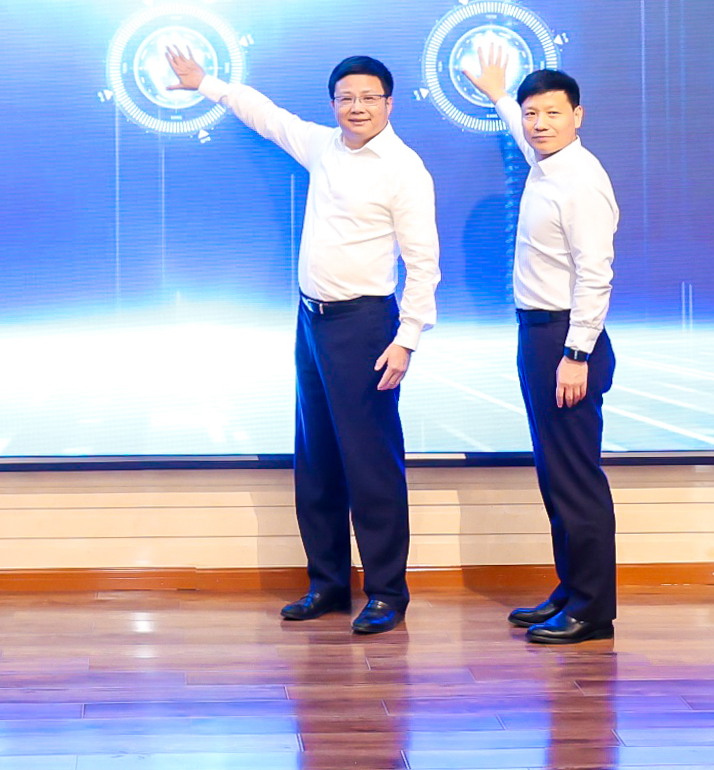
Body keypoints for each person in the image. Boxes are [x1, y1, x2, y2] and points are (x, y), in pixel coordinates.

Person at [165, 47, 439, 636]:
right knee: (316, 459)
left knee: (371, 464)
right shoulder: (322, 146)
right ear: (334, 103)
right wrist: (204, 82)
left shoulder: (405, 169)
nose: (357, 107)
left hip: (366, 327)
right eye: (346, 98)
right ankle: (328, 584)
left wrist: (407, 338)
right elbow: (265, 115)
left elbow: (424, 265)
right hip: (311, 322)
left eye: (368, 98)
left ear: (389, 103)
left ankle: (387, 593)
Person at [464, 44, 619, 645]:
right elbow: (519, 127)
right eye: (531, 114)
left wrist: (576, 354)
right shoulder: (546, 163)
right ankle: (570, 590)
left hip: (565, 338)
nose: (538, 124)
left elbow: (596, 274)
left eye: (552, 113)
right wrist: (499, 95)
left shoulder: (580, 181)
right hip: (539, 335)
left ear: (578, 115)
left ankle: (592, 610)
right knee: (556, 476)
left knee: (576, 479)